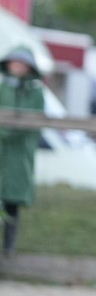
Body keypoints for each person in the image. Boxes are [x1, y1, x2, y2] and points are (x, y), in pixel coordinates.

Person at [0, 46, 47, 256]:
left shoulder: (35, 92)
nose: (18, 66)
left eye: (22, 62)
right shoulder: (2, 87)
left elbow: (32, 122)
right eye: (15, 61)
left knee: (12, 204)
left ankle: (8, 247)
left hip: (18, 157)